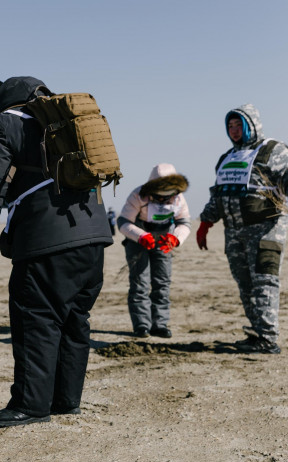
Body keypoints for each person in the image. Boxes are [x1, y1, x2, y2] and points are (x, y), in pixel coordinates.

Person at [0, 77, 112, 428]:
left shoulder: (4, 123)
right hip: (95, 237)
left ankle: (31, 405)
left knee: (37, 320)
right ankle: (65, 401)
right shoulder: (56, 121)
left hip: (47, 244)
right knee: (75, 321)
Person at [197, 104, 288, 354]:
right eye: (231, 126)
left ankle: (268, 338)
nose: (234, 130)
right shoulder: (226, 158)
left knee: (264, 282)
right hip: (234, 234)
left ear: (252, 126)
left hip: (266, 231)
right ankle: (258, 332)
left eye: (239, 125)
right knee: (245, 284)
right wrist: (205, 223)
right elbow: (218, 195)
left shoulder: (274, 150)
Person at [117, 164, 191, 339]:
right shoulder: (138, 195)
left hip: (164, 240)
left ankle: (160, 324)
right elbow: (123, 222)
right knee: (140, 282)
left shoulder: (179, 199)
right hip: (138, 240)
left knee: (162, 281)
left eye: (168, 196)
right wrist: (141, 236)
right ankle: (141, 324)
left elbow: (184, 223)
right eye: (159, 196)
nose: (164, 200)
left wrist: (176, 238)